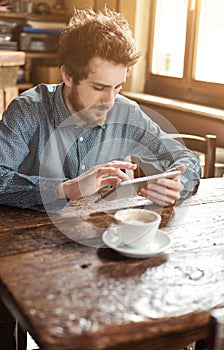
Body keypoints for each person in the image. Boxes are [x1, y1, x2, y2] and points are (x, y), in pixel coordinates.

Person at [0, 7, 201, 213]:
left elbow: (185, 158)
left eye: (118, 87)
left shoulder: (126, 113)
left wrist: (179, 183)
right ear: (68, 75)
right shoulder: (28, 109)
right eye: (99, 88)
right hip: (29, 235)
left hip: (102, 233)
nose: (110, 101)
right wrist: (66, 189)